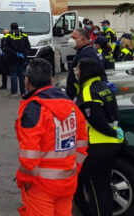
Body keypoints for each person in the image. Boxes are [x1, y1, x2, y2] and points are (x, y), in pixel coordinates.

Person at [15, 59, 87, 216]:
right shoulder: (72, 107)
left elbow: (29, 155)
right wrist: (73, 170)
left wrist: (24, 180)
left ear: (27, 80)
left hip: (41, 185)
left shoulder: (34, 109)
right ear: (52, 79)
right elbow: (82, 144)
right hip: (68, 181)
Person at [75, 58, 124, 216]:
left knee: (94, 189)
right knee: (104, 188)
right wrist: (115, 132)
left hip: (97, 145)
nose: (76, 72)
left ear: (85, 71)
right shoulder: (104, 87)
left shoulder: (89, 90)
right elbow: (114, 113)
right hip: (111, 144)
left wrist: (112, 132)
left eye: (78, 69)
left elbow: (96, 120)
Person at [66, 28, 103, 100]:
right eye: (71, 37)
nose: (71, 40)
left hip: (84, 96)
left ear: (83, 39)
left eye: (74, 38)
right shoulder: (90, 51)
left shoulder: (86, 55)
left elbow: (85, 78)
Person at [3, 22, 30, 97]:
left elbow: (7, 48)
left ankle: (14, 92)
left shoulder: (8, 36)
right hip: (21, 58)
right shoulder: (24, 35)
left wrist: (15, 54)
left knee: (13, 74)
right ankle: (23, 91)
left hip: (12, 58)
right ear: (18, 27)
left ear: (11, 28)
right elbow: (28, 47)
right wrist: (23, 54)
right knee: (21, 75)